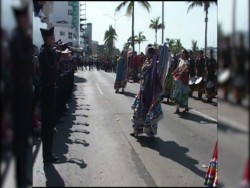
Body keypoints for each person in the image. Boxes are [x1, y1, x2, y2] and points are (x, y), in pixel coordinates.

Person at [9, 2, 33, 187]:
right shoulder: (16, 40)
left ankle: (23, 176)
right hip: (17, 95)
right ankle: (20, 178)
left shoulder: (23, 39)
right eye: (23, 18)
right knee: (19, 142)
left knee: (24, 141)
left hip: (25, 95)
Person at [39, 26, 68, 163]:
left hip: (50, 90)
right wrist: (59, 55)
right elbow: (51, 66)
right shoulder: (45, 52)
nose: (54, 40)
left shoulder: (48, 52)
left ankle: (48, 154)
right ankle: (47, 155)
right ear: (47, 39)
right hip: (47, 91)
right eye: (52, 38)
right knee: (47, 125)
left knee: (49, 124)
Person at [131, 44, 166, 137]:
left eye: (148, 52)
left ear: (151, 54)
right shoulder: (146, 62)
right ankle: (137, 130)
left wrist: (158, 88)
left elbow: (157, 76)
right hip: (143, 88)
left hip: (150, 90)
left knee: (149, 110)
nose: (147, 54)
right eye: (147, 52)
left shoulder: (154, 63)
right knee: (139, 109)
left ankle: (149, 131)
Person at [172, 49, 189, 114]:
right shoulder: (180, 60)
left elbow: (186, 67)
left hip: (184, 79)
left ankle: (186, 107)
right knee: (177, 94)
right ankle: (177, 109)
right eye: (181, 53)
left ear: (185, 54)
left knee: (184, 94)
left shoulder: (186, 61)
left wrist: (181, 72)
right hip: (179, 79)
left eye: (182, 53)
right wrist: (173, 73)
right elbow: (178, 68)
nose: (181, 54)